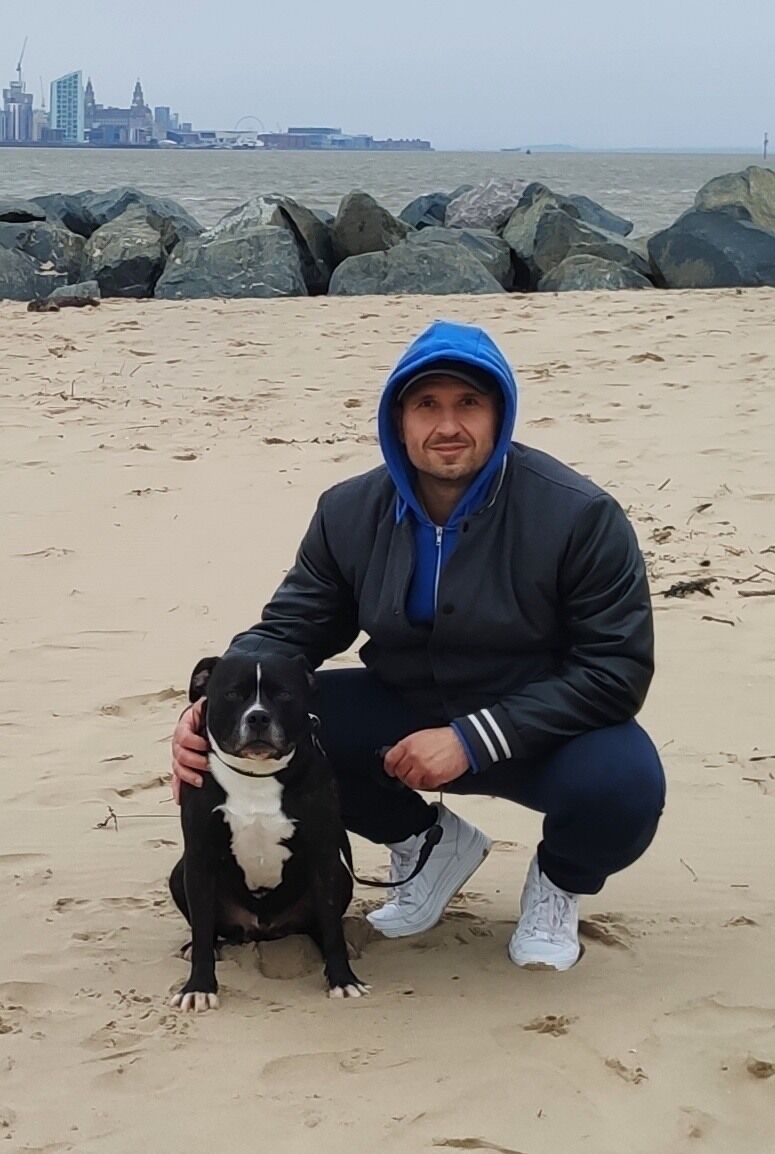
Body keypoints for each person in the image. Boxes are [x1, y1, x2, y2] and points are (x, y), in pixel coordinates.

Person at [172, 320, 666, 972]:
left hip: (540, 726)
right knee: (291, 721)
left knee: (625, 786)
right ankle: (428, 844)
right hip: (404, 706)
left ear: (500, 414)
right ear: (398, 421)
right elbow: (291, 629)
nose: (448, 426)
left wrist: (473, 739)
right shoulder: (348, 511)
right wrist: (211, 706)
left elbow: (615, 668)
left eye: (469, 403)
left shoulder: (579, 515)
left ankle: (557, 885)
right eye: (427, 404)